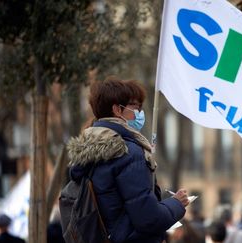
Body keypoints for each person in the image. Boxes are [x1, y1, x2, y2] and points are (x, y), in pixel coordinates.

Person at [66, 77, 189, 243]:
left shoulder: (88, 152)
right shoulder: (128, 153)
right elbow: (148, 219)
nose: (140, 113)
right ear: (117, 110)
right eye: (135, 107)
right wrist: (176, 204)